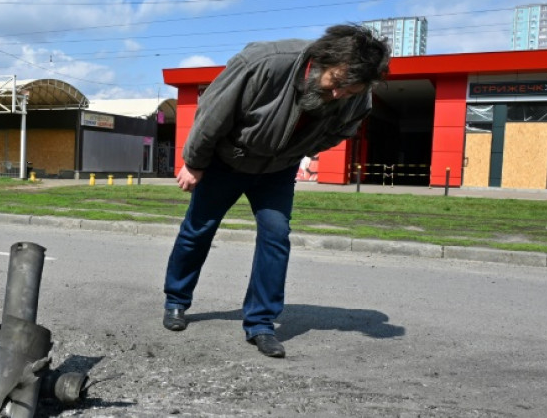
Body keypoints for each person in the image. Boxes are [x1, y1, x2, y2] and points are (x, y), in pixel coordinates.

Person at [162, 24, 391, 358]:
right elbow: (213, 112)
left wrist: (299, 151)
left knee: (276, 235)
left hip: (277, 170)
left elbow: (344, 129)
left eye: (351, 90)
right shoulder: (265, 62)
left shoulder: (358, 92)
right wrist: (194, 162)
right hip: (226, 162)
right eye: (337, 84)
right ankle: (176, 301)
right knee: (198, 230)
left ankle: (260, 323)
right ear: (323, 59)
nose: (341, 94)